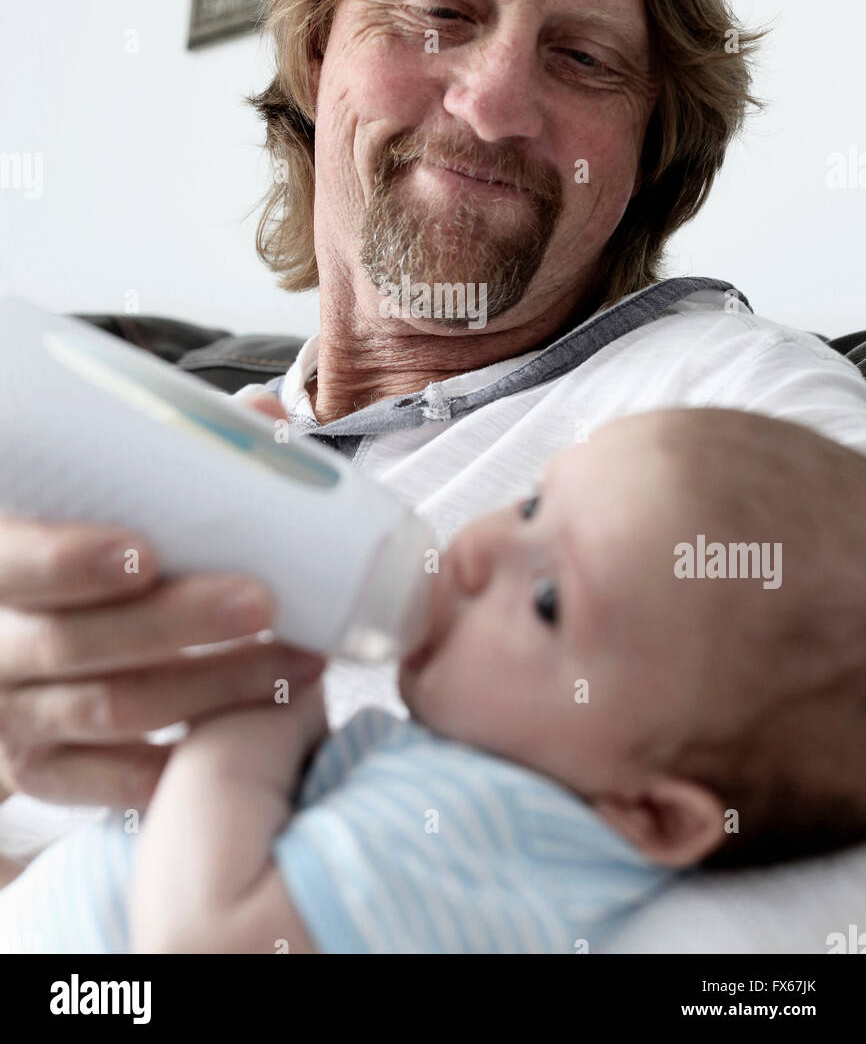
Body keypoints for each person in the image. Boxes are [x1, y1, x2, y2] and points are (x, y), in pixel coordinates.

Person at [2, 0, 866, 887]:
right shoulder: (191, 442)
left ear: (649, 149)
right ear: (319, 56)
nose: (497, 102)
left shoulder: (733, 412)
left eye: (581, 56)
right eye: (439, 15)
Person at [2, 407, 865, 954]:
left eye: (551, 599)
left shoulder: (497, 824)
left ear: (649, 813)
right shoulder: (489, 783)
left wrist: (258, 691)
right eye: (532, 504)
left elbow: (201, 943)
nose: (483, 544)